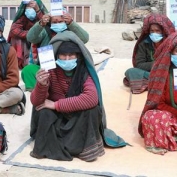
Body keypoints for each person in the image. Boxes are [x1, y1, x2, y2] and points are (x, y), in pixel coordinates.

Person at [30, 31, 126, 161]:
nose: (67, 59)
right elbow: (36, 101)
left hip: (76, 118)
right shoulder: (49, 71)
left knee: (92, 109)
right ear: (56, 55)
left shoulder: (84, 71)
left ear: (78, 56)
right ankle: (53, 146)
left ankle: (82, 147)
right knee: (42, 110)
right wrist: (41, 85)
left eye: (71, 55)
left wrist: (56, 105)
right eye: (63, 55)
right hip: (57, 119)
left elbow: (91, 98)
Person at [21, 11, 89, 90]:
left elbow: (85, 38)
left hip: (66, 69)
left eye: (60, 22)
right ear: (50, 22)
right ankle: (37, 93)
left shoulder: (71, 32)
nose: (58, 24)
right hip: (48, 68)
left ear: (65, 22)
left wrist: (72, 23)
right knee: (28, 70)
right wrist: (41, 24)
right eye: (54, 22)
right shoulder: (45, 31)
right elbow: (30, 38)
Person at [123, 14, 176, 94]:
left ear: (163, 31)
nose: (155, 33)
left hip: (166, 73)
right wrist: (157, 64)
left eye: (158, 31)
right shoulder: (144, 43)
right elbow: (139, 64)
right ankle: (160, 84)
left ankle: (154, 84)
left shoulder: (169, 43)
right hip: (150, 73)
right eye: (152, 31)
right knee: (131, 72)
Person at [7, 0, 48, 69]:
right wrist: (31, 34)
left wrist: (38, 11)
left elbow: (48, 26)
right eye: (28, 7)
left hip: (40, 42)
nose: (30, 9)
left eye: (33, 7)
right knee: (16, 39)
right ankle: (21, 61)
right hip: (27, 42)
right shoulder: (23, 18)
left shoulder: (42, 16)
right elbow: (14, 30)